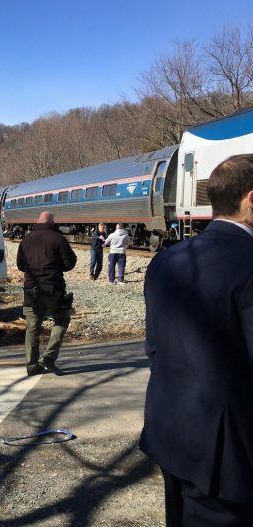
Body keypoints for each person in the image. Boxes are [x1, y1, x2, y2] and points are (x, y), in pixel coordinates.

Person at [141, 154, 253, 526]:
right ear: (251, 199)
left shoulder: (166, 260)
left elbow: (155, 349)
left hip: (171, 433)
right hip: (229, 456)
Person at [16, 212, 77, 376]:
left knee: (33, 326)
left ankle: (31, 364)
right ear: (53, 222)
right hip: (53, 289)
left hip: (31, 290)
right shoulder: (58, 239)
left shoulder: (26, 240)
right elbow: (70, 262)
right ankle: (49, 358)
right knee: (62, 319)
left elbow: (20, 265)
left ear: (37, 222)